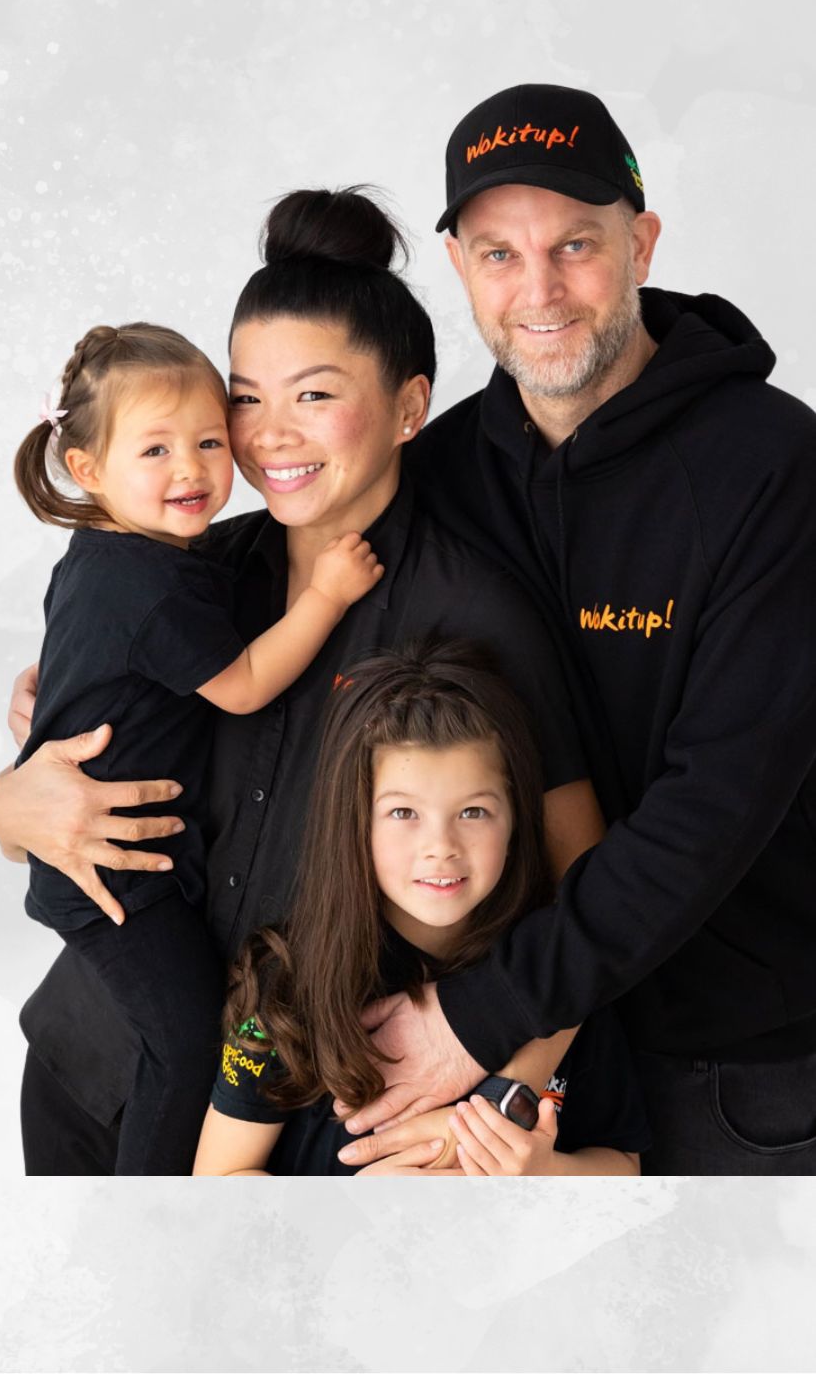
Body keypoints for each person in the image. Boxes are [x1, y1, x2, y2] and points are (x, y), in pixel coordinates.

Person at [0, 186, 601, 1174]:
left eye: (314, 395)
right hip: (93, 1060)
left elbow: (589, 888)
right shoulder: (188, 574)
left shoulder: (477, 612)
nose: (269, 433)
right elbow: (58, 776)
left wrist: (509, 1092)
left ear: (410, 407)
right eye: (245, 397)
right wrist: (9, 803)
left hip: (302, 1120)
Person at [337, 84, 816, 1175]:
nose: (539, 289)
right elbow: (302, 575)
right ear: (459, 266)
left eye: (576, 246)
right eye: (500, 254)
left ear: (641, 244)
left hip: (731, 1066)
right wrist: (94, 673)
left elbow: (716, 802)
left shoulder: (773, 468)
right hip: (504, 1062)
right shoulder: (444, 472)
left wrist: (477, 1018)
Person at [11, 321, 382, 1174]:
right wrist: (325, 596)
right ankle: (156, 1206)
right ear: (87, 469)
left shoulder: (114, 555)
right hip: (114, 876)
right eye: (156, 450)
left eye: (210, 441)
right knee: (183, 1045)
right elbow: (245, 685)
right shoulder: (148, 583)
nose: (191, 469)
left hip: (112, 863)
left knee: (180, 1033)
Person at [193, 641, 647, 1176]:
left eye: (473, 811)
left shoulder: (551, 969)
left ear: (516, 822)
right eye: (403, 812)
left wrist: (543, 1174)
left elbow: (624, 1166)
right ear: (355, 821)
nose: (441, 846)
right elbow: (218, 1183)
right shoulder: (288, 981)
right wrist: (344, 1208)